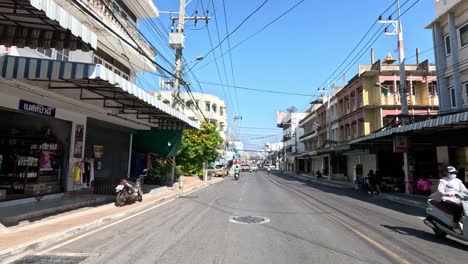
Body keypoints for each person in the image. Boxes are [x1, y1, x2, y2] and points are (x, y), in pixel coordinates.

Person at [436, 166, 468, 234]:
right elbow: (440, 191)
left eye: (455, 173)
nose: (454, 174)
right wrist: (448, 194)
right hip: (446, 199)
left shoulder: (458, 181)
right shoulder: (443, 181)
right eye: (451, 173)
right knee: (458, 208)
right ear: (446, 173)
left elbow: (465, 190)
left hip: (457, 199)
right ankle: (455, 225)